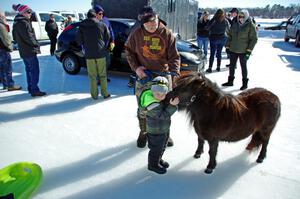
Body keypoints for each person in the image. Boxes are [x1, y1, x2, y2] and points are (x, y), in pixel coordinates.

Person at [125, 6, 180, 148]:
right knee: (144, 108)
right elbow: (129, 51)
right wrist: (136, 68)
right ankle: (143, 132)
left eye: (153, 20)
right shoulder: (136, 34)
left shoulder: (167, 34)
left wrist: (175, 74)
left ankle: (165, 133)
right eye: (147, 22)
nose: (151, 25)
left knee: (165, 106)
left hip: (163, 76)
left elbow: (174, 57)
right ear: (142, 22)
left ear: (157, 17)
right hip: (144, 77)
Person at [140, 76, 179, 174]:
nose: (160, 96)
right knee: (156, 149)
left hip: (163, 129)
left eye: (163, 94)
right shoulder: (152, 104)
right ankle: (152, 165)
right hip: (156, 131)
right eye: (157, 93)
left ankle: (158, 159)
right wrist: (172, 106)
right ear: (152, 90)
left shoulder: (157, 100)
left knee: (162, 146)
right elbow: (163, 116)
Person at [76, 8, 111, 99]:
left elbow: (79, 40)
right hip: (101, 53)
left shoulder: (81, 25)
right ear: (95, 15)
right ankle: (105, 93)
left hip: (89, 54)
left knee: (92, 76)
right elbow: (108, 37)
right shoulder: (102, 24)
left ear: (87, 16)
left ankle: (94, 95)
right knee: (102, 75)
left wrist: (85, 44)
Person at [12, 4, 46, 97]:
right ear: (23, 12)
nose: (30, 14)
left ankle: (31, 88)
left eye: (30, 11)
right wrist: (36, 45)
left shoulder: (16, 22)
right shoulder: (24, 22)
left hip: (23, 51)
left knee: (29, 70)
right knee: (34, 71)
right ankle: (34, 90)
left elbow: (15, 37)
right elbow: (29, 37)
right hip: (29, 50)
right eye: (28, 12)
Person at [222, 9, 258, 90]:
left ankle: (244, 83)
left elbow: (254, 39)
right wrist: (227, 46)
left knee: (243, 67)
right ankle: (230, 81)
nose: (240, 18)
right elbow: (230, 36)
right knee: (232, 66)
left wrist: (249, 51)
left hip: (243, 51)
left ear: (246, 17)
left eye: (242, 17)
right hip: (233, 49)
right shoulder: (235, 24)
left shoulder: (250, 25)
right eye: (239, 16)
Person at [0, 11, 22, 91]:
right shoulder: (1, 25)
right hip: (3, 49)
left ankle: (5, 84)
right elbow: (5, 38)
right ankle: (10, 85)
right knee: (8, 68)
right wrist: (9, 47)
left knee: (1, 68)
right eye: (3, 16)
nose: (5, 17)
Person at [93, 5, 115, 82]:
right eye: (99, 13)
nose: (101, 15)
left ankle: (103, 77)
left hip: (106, 47)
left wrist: (112, 41)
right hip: (97, 48)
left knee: (107, 62)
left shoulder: (106, 20)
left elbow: (111, 31)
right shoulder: (92, 21)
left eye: (102, 13)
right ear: (95, 14)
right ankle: (99, 79)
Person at [205, 9, 230, 73]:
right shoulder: (225, 21)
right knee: (219, 53)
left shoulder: (214, 20)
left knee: (212, 54)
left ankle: (210, 68)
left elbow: (207, 28)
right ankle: (218, 67)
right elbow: (228, 29)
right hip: (222, 38)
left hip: (214, 38)